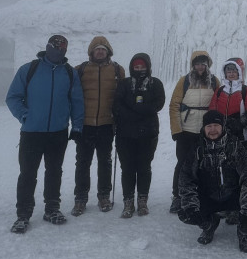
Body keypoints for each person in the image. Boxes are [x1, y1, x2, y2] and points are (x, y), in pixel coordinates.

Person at [4, 34, 85, 234]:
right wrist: (25, 116)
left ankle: (52, 209)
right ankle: (23, 214)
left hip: (58, 132)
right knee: (28, 174)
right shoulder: (29, 70)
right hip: (32, 132)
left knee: (54, 171)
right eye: (55, 46)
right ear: (47, 47)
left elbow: (76, 101)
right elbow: (13, 97)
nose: (58, 50)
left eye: (62, 48)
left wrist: (77, 126)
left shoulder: (69, 72)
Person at [178, 110, 247, 252]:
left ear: (222, 126)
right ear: (203, 128)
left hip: (233, 195)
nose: (213, 130)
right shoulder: (197, 149)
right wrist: (191, 206)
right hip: (209, 196)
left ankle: (244, 232)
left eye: (216, 125)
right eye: (209, 126)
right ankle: (209, 224)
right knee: (186, 212)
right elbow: (186, 179)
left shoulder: (234, 146)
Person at [70, 36, 125, 216]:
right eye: (97, 49)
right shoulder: (80, 70)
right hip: (86, 124)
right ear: (91, 52)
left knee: (105, 161)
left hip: (106, 124)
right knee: (83, 162)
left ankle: (104, 196)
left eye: (103, 48)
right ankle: (80, 198)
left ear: (108, 51)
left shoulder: (117, 70)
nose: (100, 51)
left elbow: (122, 97)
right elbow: (72, 96)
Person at [112, 53, 165, 218]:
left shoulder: (155, 83)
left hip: (147, 133)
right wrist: (133, 113)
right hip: (125, 133)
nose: (139, 69)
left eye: (142, 66)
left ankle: (142, 200)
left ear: (148, 67)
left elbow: (159, 102)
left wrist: (141, 110)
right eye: (136, 66)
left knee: (144, 167)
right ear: (132, 68)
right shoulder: (124, 84)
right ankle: (128, 201)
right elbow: (116, 104)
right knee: (127, 168)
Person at [167, 51, 219, 214]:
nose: (200, 67)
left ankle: (201, 194)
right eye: (197, 64)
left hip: (207, 131)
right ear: (193, 65)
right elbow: (174, 105)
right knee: (183, 164)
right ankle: (178, 196)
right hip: (187, 130)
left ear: (207, 65)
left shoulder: (214, 81)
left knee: (206, 164)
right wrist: (176, 130)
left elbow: (217, 105)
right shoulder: (184, 81)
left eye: (203, 64)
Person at [208, 58, 247, 154]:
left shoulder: (245, 90)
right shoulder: (219, 91)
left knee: (241, 161)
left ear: (239, 73)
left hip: (241, 133)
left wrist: (238, 123)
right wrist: (218, 124)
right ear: (225, 74)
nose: (231, 74)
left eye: (234, 72)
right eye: (229, 72)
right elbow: (212, 110)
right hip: (222, 132)